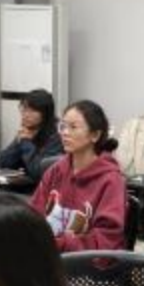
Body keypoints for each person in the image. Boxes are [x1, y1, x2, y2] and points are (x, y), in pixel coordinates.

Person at [30, 100, 127, 252]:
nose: (65, 132)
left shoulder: (111, 180)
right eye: (63, 126)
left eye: (73, 127)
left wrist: (58, 244)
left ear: (95, 135)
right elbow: (34, 214)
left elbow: (105, 240)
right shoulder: (56, 170)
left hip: (83, 262)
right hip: (49, 253)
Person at [0, 89, 64, 186]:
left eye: (32, 111)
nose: (26, 115)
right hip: (22, 185)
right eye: (24, 109)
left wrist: (26, 142)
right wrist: (18, 142)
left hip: (44, 189)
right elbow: (3, 162)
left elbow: (38, 171)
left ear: (45, 113)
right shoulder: (28, 130)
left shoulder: (58, 135)